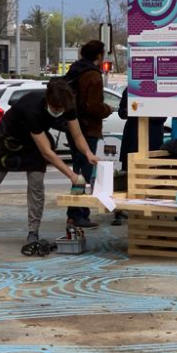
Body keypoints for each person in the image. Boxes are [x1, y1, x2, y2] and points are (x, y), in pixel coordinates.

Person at [0, 79, 98, 248]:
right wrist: (71, 174)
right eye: (56, 109)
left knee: (36, 186)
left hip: (34, 143)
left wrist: (88, 153)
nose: (58, 112)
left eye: (61, 109)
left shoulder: (67, 104)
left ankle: (33, 231)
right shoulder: (33, 108)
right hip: (8, 139)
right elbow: (47, 152)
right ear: (48, 101)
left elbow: (77, 135)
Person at [63, 40, 113, 229]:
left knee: (78, 170)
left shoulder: (75, 70)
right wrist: (107, 109)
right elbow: (93, 106)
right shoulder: (93, 75)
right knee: (84, 172)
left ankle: (74, 213)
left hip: (73, 125)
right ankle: (78, 214)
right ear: (99, 56)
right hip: (88, 129)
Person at [118, 87, 164, 170]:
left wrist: (144, 111)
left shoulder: (158, 89)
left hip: (152, 137)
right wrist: (128, 111)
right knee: (130, 169)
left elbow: (162, 117)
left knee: (152, 170)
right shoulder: (130, 89)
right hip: (132, 136)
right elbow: (121, 112)